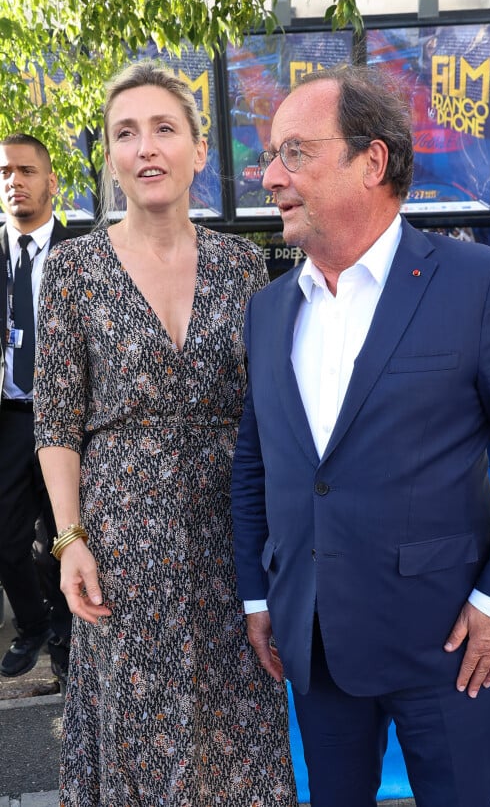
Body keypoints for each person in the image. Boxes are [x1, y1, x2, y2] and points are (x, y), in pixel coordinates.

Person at [231, 65, 490, 807]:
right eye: (268, 157)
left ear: (372, 161)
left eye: (294, 152)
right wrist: (260, 600)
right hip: (315, 643)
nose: (269, 177)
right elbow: (257, 465)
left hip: (449, 647)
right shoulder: (266, 312)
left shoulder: (476, 282)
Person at [34, 61, 297, 805]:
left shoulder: (244, 267)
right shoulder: (74, 271)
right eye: (125, 133)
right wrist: (69, 538)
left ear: (198, 149)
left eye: (163, 129)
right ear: (111, 158)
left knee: (237, 723)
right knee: (135, 730)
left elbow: (268, 412)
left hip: (231, 536)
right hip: (123, 544)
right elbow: (56, 419)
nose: (145, 148)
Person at [0, 133, 73, 685]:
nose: (14, 181)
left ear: (50, 182)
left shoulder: (84, 254)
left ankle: (68, 642)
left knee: (64, 535)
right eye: (4, 172)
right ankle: (33, 624)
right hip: (8, 417)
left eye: (26, 170)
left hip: (65, 415)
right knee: (7, 539)